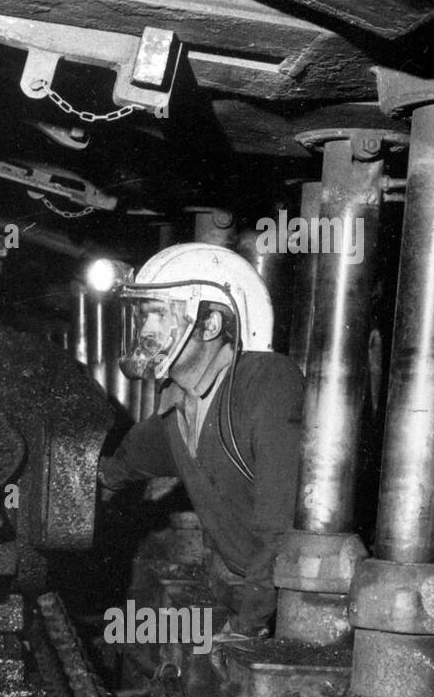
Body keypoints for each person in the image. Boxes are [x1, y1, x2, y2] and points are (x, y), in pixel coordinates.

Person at [96, 244, 304, 642]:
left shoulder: (267, 385)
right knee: (134, 635)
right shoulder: (182, 400)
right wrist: (100, 482)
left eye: (159, 315)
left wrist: (246, 625)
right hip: (240, 590)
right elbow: (138, 452)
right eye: (143, 316)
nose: (145, 332)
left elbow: (281, 531)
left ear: (209, 324)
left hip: (291, 608)